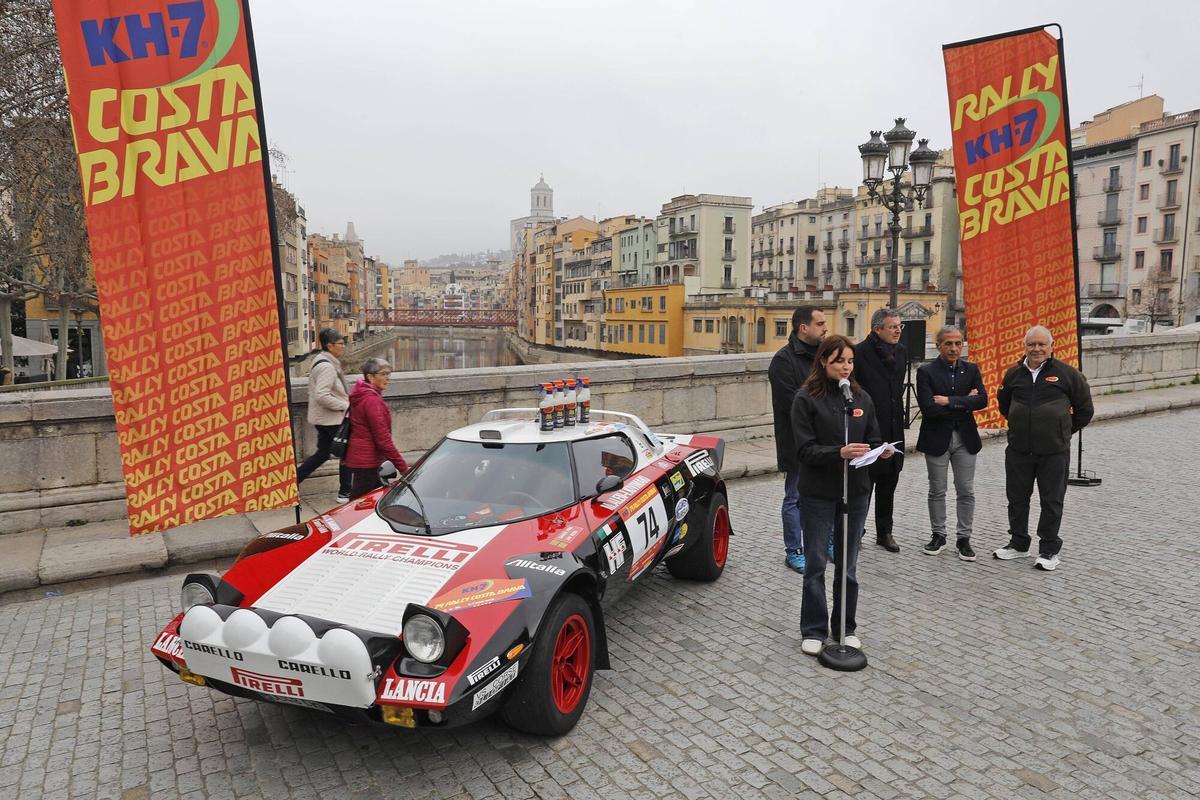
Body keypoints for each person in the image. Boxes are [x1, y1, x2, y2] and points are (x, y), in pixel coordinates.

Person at [791, 334, 889, 656]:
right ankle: (814, 629)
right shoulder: (806, 399)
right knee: (817, 563)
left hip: (856, 491)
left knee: (848, 565)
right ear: (823, 361)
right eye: (839, 361)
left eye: (850, 361)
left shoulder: (860, 398)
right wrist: (840, 452)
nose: (846, 367)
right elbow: (805, 450)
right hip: (819, 492)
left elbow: (872, 437)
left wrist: (879, 451)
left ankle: (845, 626)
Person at [995, 325, 1093, 571]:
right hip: (1019, 450)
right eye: (1032, 344)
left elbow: (1084, 410)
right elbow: (1005, 406)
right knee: (1017, 499)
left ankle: (1049, 550)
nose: (1036, 349)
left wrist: (1061, 431)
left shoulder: (1068, 374)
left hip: (1054, 452)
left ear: (1052, 346)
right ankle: (1018, 544)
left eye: (1041, 344)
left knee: (1051, 501)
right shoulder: (1013, 374)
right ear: (1024, 346)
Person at [916, 326, 987, 562]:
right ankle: (938, 535)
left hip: (965, 439)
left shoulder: (972, 369)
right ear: (938, 346)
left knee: (966, 490)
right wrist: (965, 403)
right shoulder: (926, 372)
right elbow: (928, 408)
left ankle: (964, 538)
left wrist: (948, 401)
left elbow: (982, 400)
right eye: (948, 343)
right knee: (937, 490)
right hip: (937, 439)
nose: (954, 348)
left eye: (958, 343)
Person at [768, 305, 827, 573]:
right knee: (795, 497)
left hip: (826, 438)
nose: (825, 328)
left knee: (826, 494)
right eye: (820, 324)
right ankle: (794, 550)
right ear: (803, 328)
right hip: (797, 441)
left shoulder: (825, 357)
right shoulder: (783, 361)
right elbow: (790, 402)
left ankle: (824, 543)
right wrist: (824, 410)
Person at [853, 308, 908, 553]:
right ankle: (856, 531)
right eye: (892, 326)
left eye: (899, 326)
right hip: (868, 430)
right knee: (865, 486)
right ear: (877, 329)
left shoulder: (902, 352)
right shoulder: (859, 353)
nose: (897, 330)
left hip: (894, 430)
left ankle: (885, 532)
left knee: (889, 484)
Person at [296, 328, 353, 502]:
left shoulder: (324, 361)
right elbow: (322, 395)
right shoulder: (327, 366)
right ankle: (345, 493)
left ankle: (293, 482)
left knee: (322, 454)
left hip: (325, 419)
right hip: (331, 420)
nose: (343, 346)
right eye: (341, 343)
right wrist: (346, 406)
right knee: (348, 453)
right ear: (330, 346)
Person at [345, 357, 409, 499]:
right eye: (383, 374)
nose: (388, 378)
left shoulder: (362, 393)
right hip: (368, 460)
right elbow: (383, 439)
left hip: (363, 457)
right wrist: (403, 467)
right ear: (370, 377)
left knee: (366, 500)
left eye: (389, 374)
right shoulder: (371, 400)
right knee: (360, 503)